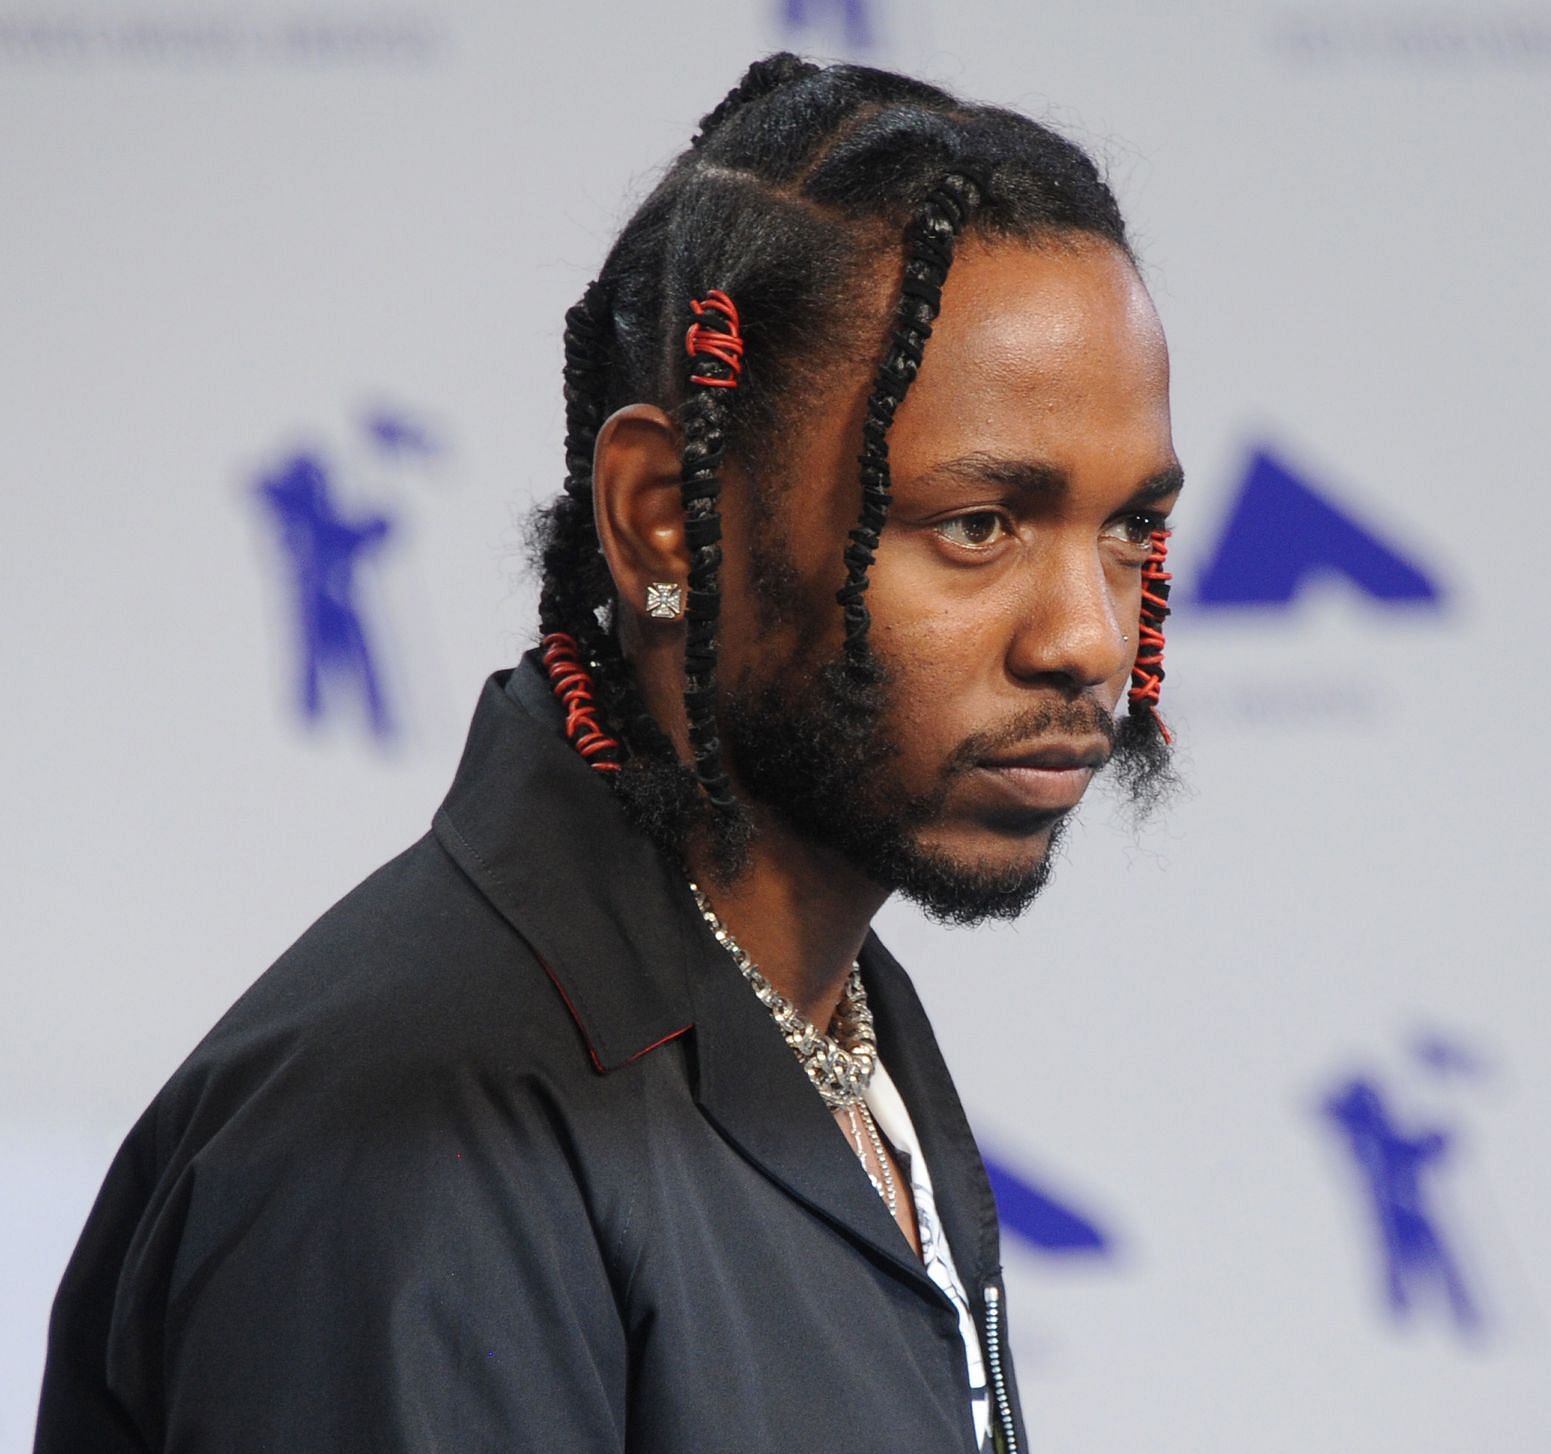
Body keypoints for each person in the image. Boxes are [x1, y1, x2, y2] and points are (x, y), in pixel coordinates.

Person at [35, 53, 1181, 1454]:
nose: (1085, 633)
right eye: (979, 524)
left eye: (1130, 526)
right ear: (663, 518)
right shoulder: (422, 1149)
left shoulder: (834, 1026)